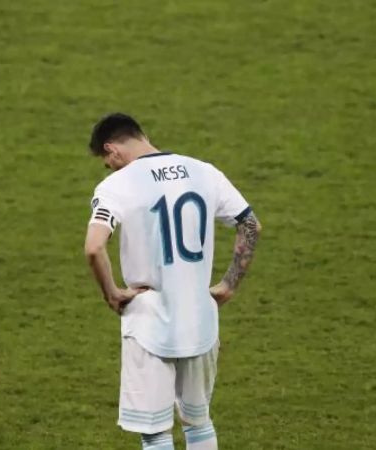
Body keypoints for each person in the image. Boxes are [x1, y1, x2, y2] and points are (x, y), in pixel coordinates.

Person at [83, 113, 261, 450]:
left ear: (112, 150)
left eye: (107, 162)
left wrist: (112, 294)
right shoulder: (205, 171)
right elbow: (250, 225)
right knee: (198, 420)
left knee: (154, 433)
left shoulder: (116, 186)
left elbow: (94, 248)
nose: (110, 168)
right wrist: (228, 284)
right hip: (201, 317)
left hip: (149, 319)